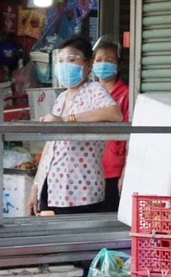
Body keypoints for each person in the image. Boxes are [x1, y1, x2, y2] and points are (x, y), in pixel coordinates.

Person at [29, 36, 123, 215]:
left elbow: (114, 113)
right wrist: (35, 186)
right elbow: (50, 147)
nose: (65, 65)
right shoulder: (61, 98)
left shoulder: (94, 90)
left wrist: (67, 119)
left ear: (87, 66)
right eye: (61, 60)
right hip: (51, 187)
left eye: (72, 60)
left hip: (80, 189)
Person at [92, 36, 130, 213]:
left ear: (119, 65)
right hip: (89, 171)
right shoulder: (88, 94)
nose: (103, 64)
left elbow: (132, 139)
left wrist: (126, 173)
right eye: (98, 60)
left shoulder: (126, 95)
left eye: (109, 60)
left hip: (114, 173)